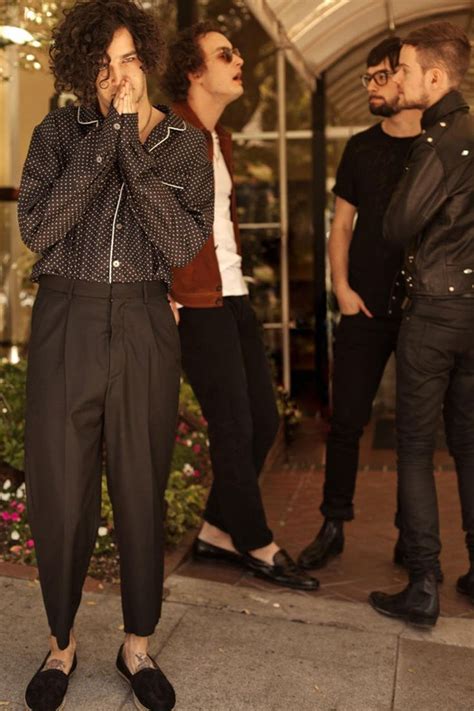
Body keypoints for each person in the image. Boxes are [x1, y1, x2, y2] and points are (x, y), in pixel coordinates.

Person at [18, 1, 214, 709]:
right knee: (61, 486)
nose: (119, 75)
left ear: (150, 61)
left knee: (139, 481)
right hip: (65, 316)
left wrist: (129, 142)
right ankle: (61, 644)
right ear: (83, 70)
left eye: (130, 58)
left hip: (141, 320)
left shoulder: (187, 145)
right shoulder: (56, 133)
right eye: (103, 62)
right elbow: (39, 227)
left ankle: (137, 645)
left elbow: (181, 245)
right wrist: (103, 142)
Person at [162, 22, 319, 591]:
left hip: (232, 292)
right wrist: (162, 290)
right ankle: (257, 541)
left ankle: (216, 532)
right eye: (224, 54)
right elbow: (140, 218)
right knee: (231, 424)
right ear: (193, 71)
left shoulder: (216, 138)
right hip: (194, 299)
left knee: (263, 419)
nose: (240, 63)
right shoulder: (167, 132)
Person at [298, 38, 424, 572]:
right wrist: (342, 289)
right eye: (366, 77)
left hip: (426, 313)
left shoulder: (441, 145)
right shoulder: (359, 148)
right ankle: (333, 525)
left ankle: (411, 534)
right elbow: (341, 226)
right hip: (363, 308)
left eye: (379, 76)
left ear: (405, 78)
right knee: (347, 421)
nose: (371, 86)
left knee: (417, 430)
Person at [369, 21, 474, 626]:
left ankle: (424, 584)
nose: (397, 78)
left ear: (435, 77)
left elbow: (396, 225)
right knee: (468, 445)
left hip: (434, 312)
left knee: (414, 447)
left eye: (404, 69)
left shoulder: (439, 142)